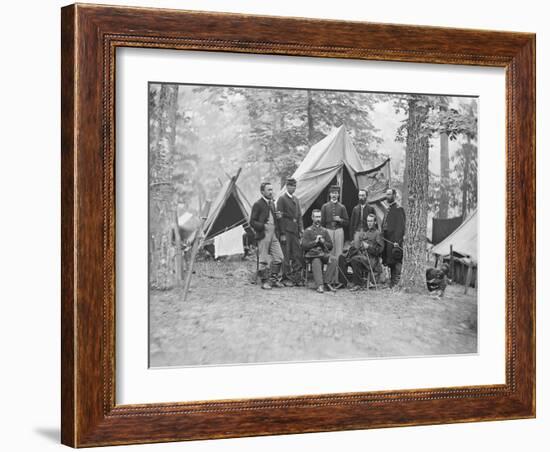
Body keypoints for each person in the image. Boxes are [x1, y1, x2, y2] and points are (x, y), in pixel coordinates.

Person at [249, 182, 285, 290]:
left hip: (273, 234)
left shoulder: (272, 204)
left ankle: (273, 280)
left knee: (279, 257)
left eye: (271, 190)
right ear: (262, 192)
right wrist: (263, 226)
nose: (271, 192)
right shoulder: (258, 204)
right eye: (268, 190)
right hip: (263, 233)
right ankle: (264, 282)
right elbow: (252, 221)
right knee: (263, 259)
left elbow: (275, 219)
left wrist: (278, 218)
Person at [302, 210, 339, 293]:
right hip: (312, 255)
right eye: (316, 217)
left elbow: (330, 246)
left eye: (319, 217)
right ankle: (320, 285)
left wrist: (323, 242)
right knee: (316, 261)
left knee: (334, 259)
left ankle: (327, 282)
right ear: (312, 218)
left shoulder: (324, 231)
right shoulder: (308, 231)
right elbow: (304, 246)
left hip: (323, 254)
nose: (318, 219)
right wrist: (315, 241)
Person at [276, 178, 304, 286]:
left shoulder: (296, 199)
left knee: (297, 254)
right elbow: (280, 218)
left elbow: (299, 216)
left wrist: (301, 229)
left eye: (294, 186)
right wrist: (282, 233)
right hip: (286, 230)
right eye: (291, 186)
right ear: (287, 187)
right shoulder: (282, 199)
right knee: (286, 254)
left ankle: (296, 278)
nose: (293, 188)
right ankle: (286, 278)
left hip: (295, 230)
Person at [348, 213, 384, 291]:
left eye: (371, 221)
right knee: (348, 257)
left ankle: (358, 284)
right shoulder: (366, 233)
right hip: (364, 257)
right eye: (368, 221)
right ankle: (352, 282)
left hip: (372, 260)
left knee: (355, 259)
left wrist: (368, 247)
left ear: (375, 222)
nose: (369, 223)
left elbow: (379, 251)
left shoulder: (378, 234)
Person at [381, 188, 406, 287]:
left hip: (394, 241)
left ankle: (397, 282)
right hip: (388, 239)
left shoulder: (399, 209)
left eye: (389, 194)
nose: (387, 196)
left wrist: (397, 241)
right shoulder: (388, 209)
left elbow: (401, 227)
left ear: (394, 196)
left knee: (396, 260)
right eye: (386, 194)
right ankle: (392, 283)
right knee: (390, 261)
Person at [320, 186, 349, 258]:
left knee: (339, 252)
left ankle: (338, 268)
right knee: (329, 251)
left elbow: (347, 222)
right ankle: (330, 268)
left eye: (336, 193)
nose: (334, 195)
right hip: (328, 230)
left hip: (338, 231)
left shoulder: (342, 207)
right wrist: (323, 234)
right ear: (330, 194)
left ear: (338, 195)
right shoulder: (325, 206)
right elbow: (322, 222)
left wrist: (340, 220)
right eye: (332, 193)